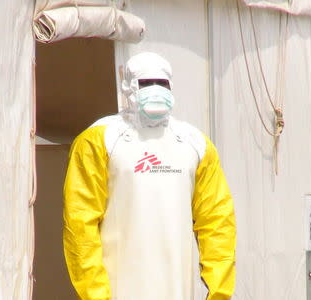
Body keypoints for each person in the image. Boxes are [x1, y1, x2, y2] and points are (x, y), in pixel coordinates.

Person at [63, 52, 236, 300]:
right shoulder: (98, 139)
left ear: (172, 86)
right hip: (119, 289)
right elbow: (80, 225)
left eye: (162, 83)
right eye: (145, 83)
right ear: (127, 87)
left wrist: (219, 291)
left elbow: (217, 221)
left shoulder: (195, 143)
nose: (154, 90)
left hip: (179, 288)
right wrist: (95, 294)